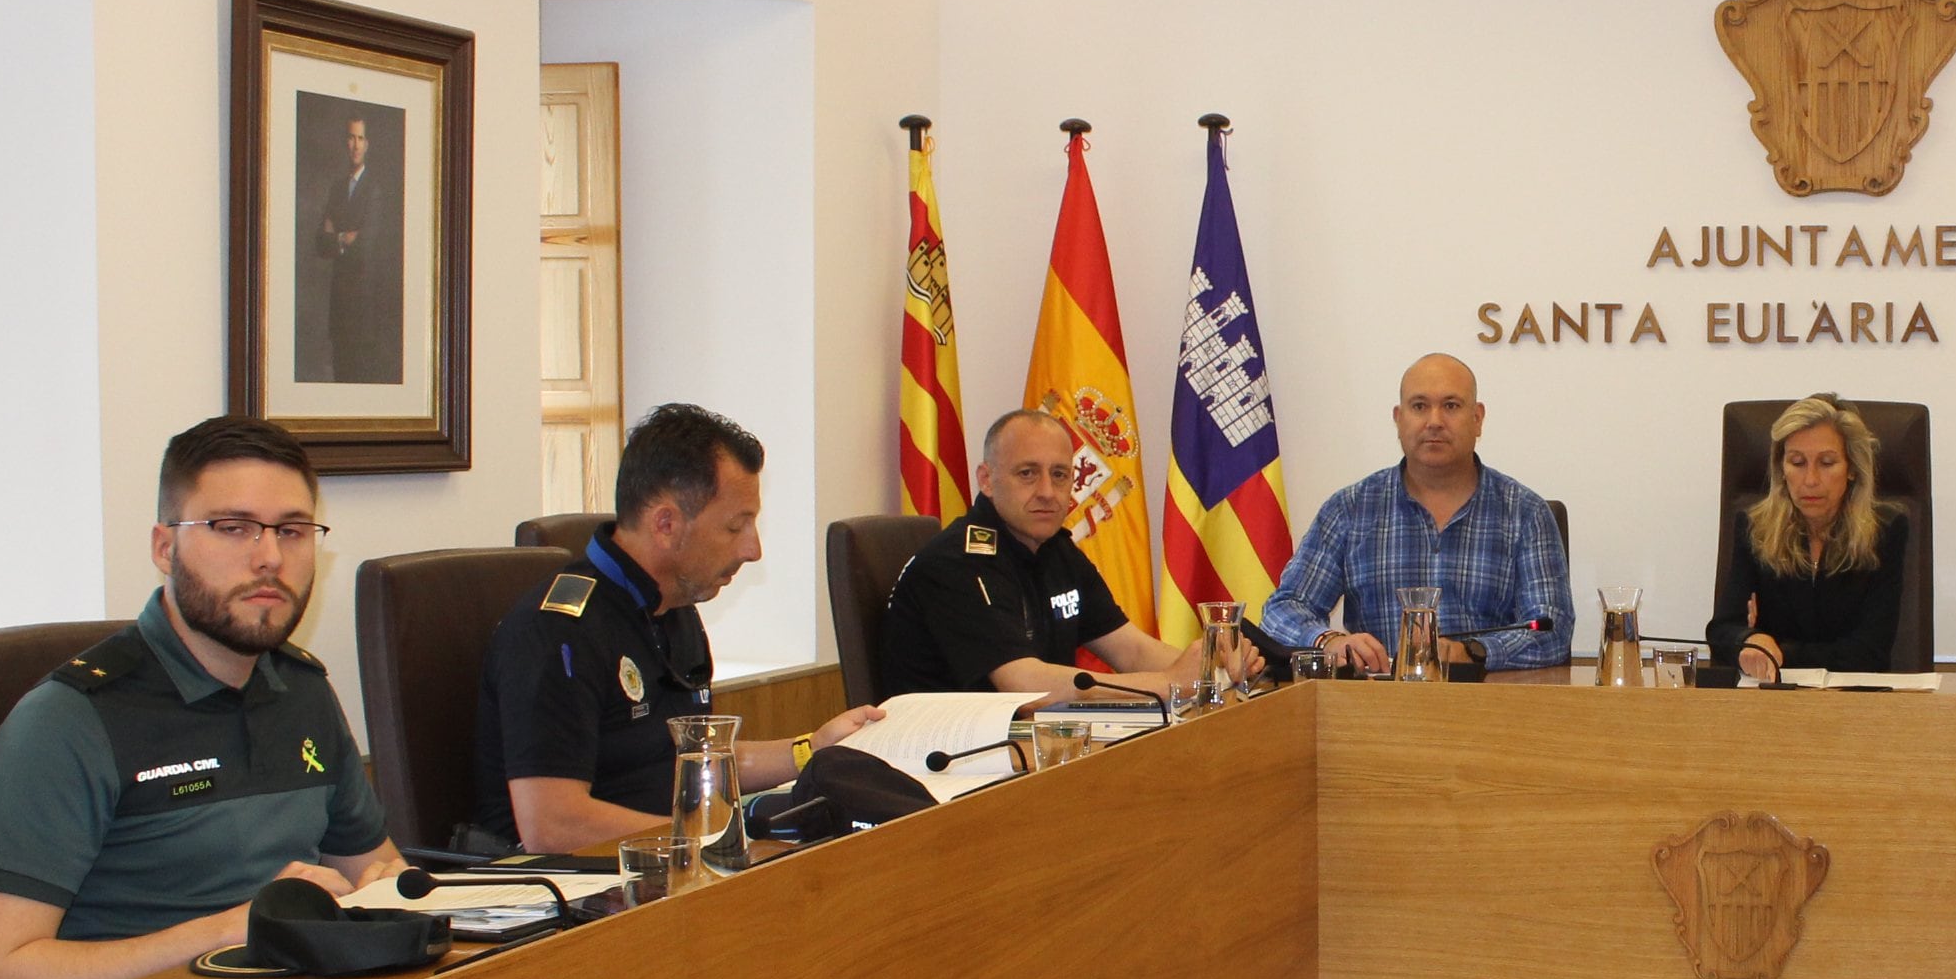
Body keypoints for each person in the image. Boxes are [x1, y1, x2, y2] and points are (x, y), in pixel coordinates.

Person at [0, 417, 406, 979]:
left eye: (293, 531)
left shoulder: (301, 690)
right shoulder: (68, 721)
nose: (270, 557)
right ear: (164, 547)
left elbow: (378, 870)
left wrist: (393, 893)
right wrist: (227, 931)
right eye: (233, 528)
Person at [470, 403, 879, 855]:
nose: (753, 549)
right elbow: (553, 824)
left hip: (667, 861)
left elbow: (699, 757)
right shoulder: (557, 631)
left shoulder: (673, 604)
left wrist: (812, 747)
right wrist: (709, 843)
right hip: (576, 889)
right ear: (666, 524)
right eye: (735, 526)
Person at [1260, 354, 1571, 674]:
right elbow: (1283, 610)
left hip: (1487, 708)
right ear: (1399, 419)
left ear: (1477, 418)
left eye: (1451, 405)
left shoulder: (1524, 513)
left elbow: (1552, 631)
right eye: (1419, 406)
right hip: (1373, 707)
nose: (1434, 421)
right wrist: (1329, 641)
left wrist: (1472, 652)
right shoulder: (1350, 510)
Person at [880, 408, 1225, 695]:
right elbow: (1024, 686)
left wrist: (1213, 670)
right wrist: (1167, 685)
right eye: (1027, 474)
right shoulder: (958, 562)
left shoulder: (1056, 549)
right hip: (940, 759)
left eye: (1059, 475)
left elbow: (1130, 649)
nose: (1047, 491)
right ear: (986, 480)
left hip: (1018, 746)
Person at [1706, 394, 1909, 683]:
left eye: (1826, 463)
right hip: (1771, 702)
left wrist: (1777, 650)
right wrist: (1747, 640)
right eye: (1797, 462)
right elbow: (1722, 631)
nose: (1810, 479)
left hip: (1854, 705)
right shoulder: (1755, 528)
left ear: (1852, 468)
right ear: (1781, 468)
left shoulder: (1884, 532)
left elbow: (1869, 653)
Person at [298, 111, 402, 386]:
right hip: (340, 304)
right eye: (351, 137)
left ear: (367, 144)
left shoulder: (375, 189)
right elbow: (321, 243)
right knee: (341, 374)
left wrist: (337, 236)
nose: (355, 145)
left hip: (366, 306)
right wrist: (346, 237)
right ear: (345, 142)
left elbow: (366, 245)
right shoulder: (337, 188)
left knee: (361, 376)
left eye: (361, 138)